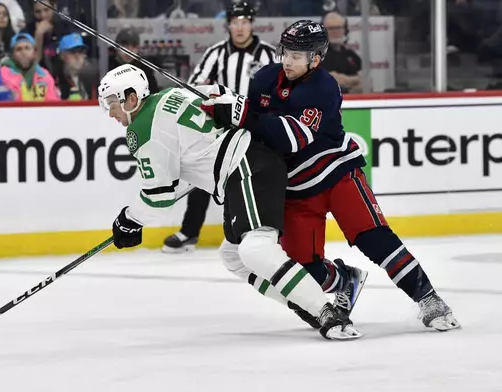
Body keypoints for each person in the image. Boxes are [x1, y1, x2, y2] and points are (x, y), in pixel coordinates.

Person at [202, 20, 460, 332]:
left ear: (317, 58)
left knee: (374, 239)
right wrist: (223, 107)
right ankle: (345, 278)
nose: (288, 60)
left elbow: (290, 137)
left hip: (337, 173)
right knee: (303, 270)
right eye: (286, 52)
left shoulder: (323, 88)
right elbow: (250, 126)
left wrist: (241, 114)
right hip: (294, 187)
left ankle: (429, 298)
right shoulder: (264, 79)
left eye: (298, 56)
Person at [99, 63, 362, 341]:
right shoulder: (171, 95)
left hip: (245, 167)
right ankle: (304, 304)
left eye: (112, 102)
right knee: (233, 255)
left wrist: (129, 219)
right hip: (251, 161)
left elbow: (159, 199)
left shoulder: (142, 128)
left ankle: (326, 312)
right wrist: (133, 219)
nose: (110, 112)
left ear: (132, 98)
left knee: (254, 249)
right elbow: (178, 178)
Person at [163, 1, 275, 253]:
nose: (240, 28)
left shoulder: (268, 55)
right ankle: (189, 232)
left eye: (245, 22)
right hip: (224, 129)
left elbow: (280, 90)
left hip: (259, 128)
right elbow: (194, 88)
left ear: (252, 24)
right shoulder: (215, 53)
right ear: (228, 24)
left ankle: (261, 233)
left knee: (262, 181)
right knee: (204, 177)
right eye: (235, 22)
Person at [0, 32, 58, 101]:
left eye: (27, 48)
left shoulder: (44, 75)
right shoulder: (2, 74)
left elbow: (53, 104)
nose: (23, 53)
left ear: (35, 52)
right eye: (18, 49)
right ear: (12, 55)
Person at [21, 0, 72, 72]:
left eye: (46, 10)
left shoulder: (64, 27)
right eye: (38, 12)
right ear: (32, 12)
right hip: (37, 74)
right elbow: (30, 65)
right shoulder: (27, 31)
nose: (43, 15)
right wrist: (38, 35)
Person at [320, 11, 362, 94]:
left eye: (338, 28)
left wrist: (345, 80)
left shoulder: (351, 55)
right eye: (331, 28)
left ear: (345, 30)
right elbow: (330, 80)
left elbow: (366, 81)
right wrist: (355, 81)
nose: (335, 32)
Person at [108, 27, 159, 94]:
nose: (129, 50)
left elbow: (154, 94)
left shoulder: (145, 68)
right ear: (116, 47)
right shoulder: (107, 65)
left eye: (134, 45)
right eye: (125, 45)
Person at [54, 32, 96, 100]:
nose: (78, 57)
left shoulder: (94, 78)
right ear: (62, 55)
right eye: (72, 52)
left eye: (81, 52)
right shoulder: (55, 80)